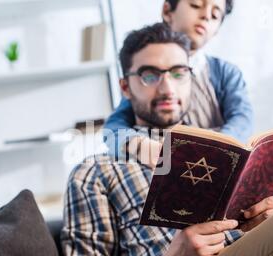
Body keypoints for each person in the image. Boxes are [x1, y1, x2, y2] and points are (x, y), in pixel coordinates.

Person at [61, 23, 273, 256]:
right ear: (125, 87)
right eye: (150, 75)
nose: (167, 87)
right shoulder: (97, 171)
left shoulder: (232, 149)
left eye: (178, 73)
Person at [104, 0, 253, 167]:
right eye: (196, 5)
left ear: (218, 29)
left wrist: (215, 150)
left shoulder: (224, 73)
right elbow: (114, 126)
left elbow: (242, 120)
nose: (205, 16)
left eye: (215, 15)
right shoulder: (140, 81)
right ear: (168, 11)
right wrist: (139, 146)